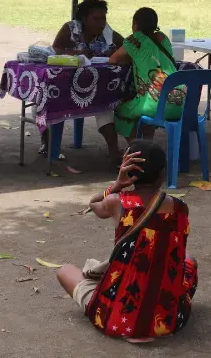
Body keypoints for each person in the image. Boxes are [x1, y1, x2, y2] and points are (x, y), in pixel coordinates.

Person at [56, 141, 197, 340]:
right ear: (163, 173)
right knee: (190, 260)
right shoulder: (180, 207)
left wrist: (117, 184)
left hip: (114, 319)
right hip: (168, 321)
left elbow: (93, 204)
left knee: (64, 271)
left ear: (128, 171)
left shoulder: (117, 202)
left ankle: (108, 302)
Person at [45, 0, 124, 161]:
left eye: (104, 18)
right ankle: (49, 146)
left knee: (106, 106)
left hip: (96, 88)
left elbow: (126, 47)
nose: (101, 23)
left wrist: (116, 54)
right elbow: (55, 50)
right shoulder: (70, 28)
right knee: (48, 100)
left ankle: (114, 152)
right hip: (64, 87)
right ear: (84, 19)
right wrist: (76, 54)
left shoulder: (108, 34)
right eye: (96, 19)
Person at [110, 7, 183, 142]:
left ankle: (135, 149)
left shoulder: (135, 40)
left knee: (121, 110)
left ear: (135, 24)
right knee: (144, 107)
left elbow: (113, 59)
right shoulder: (163, 38)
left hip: (154, 104)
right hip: (180, 103)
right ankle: (148, 143)